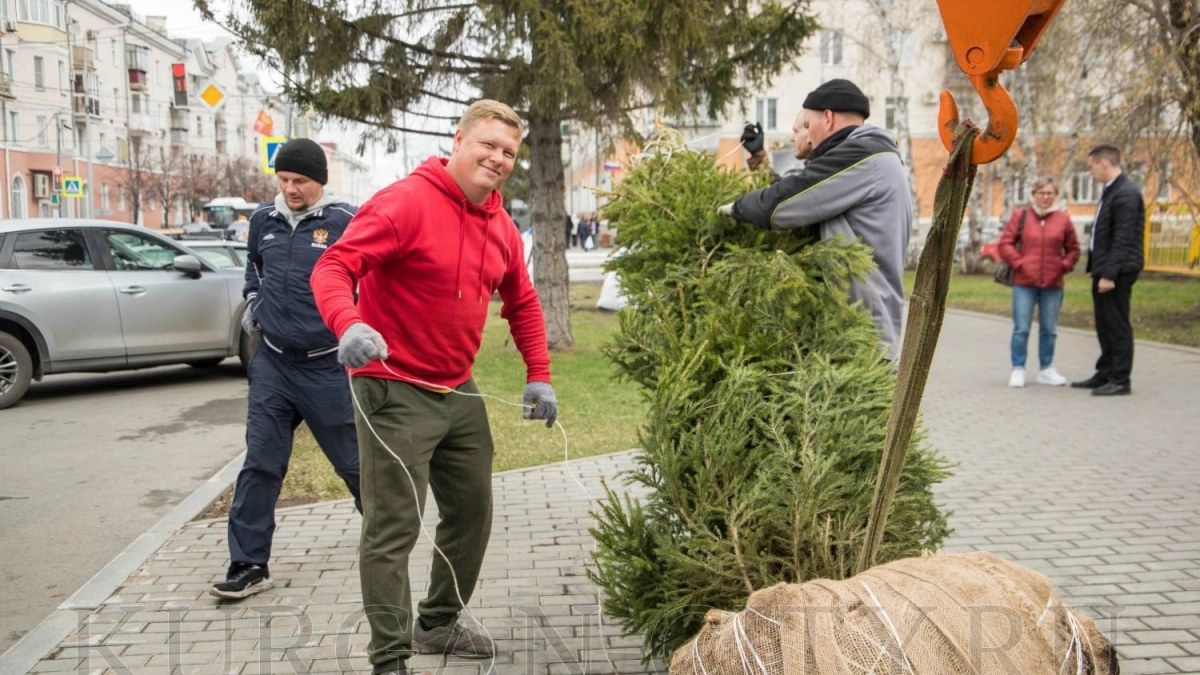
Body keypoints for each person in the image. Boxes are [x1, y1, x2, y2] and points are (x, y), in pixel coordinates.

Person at [310, 99, 558, 675]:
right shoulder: (404, 203)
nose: (497, 158)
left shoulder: (500, 225)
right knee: (394, 527)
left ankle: (438, 623)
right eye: (488, 145)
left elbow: (521, 302)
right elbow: (333, 268)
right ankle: (389, 659)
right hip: (393, 387)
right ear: (459, 139)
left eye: (508, 152)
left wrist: (540, 375)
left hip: (457, 387)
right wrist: (348, 324)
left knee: (472, 512)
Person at [212, 138, 362, 600]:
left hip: (326, 367)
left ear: (320, 180)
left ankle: (390, 532)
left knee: (354, 463)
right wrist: (254, 301)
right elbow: (253, 270)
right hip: (273, 363)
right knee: (260, 462)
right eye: (283, 179)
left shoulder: (346, 222)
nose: (290, 189)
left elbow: (370, 280)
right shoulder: (264, 220)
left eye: (300, 180)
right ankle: (249, 563)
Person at [719, 79, 912, 360]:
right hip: (859, 333)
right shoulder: (872, 156)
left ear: (828, 118)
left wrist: (733, 208)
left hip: (862, 338)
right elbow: (807, 199)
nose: (807, 136)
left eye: (807, 126)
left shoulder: (862, 156)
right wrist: (759, 159)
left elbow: (783, 204)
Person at [1072, 144, 1145, 396]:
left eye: (1091, 166)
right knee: (1104, 323)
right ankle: (1105, 372)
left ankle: (1120, 379)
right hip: (1104, 268)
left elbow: (1123, 239)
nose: (1091, 172)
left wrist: (1109, 275)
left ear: (1104, 163)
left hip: (1116, 271)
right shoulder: (1113, 191)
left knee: (1117, 324)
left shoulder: (1127, 193)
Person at [998, 177, 1080, 388]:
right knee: (1021, 328)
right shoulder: (1021, 216)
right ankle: (1018, 369)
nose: (1045, 197)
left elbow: (1074, 249)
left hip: (1053, 284)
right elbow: (1006, 244)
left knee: (1049, 329)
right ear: (1033, 194)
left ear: (1056, 196)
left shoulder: (1063, 219)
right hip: (1024, 282)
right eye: (1041, 193)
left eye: (1049, 193)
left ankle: (1047, 369)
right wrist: (1019, 263)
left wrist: (1063, 266)